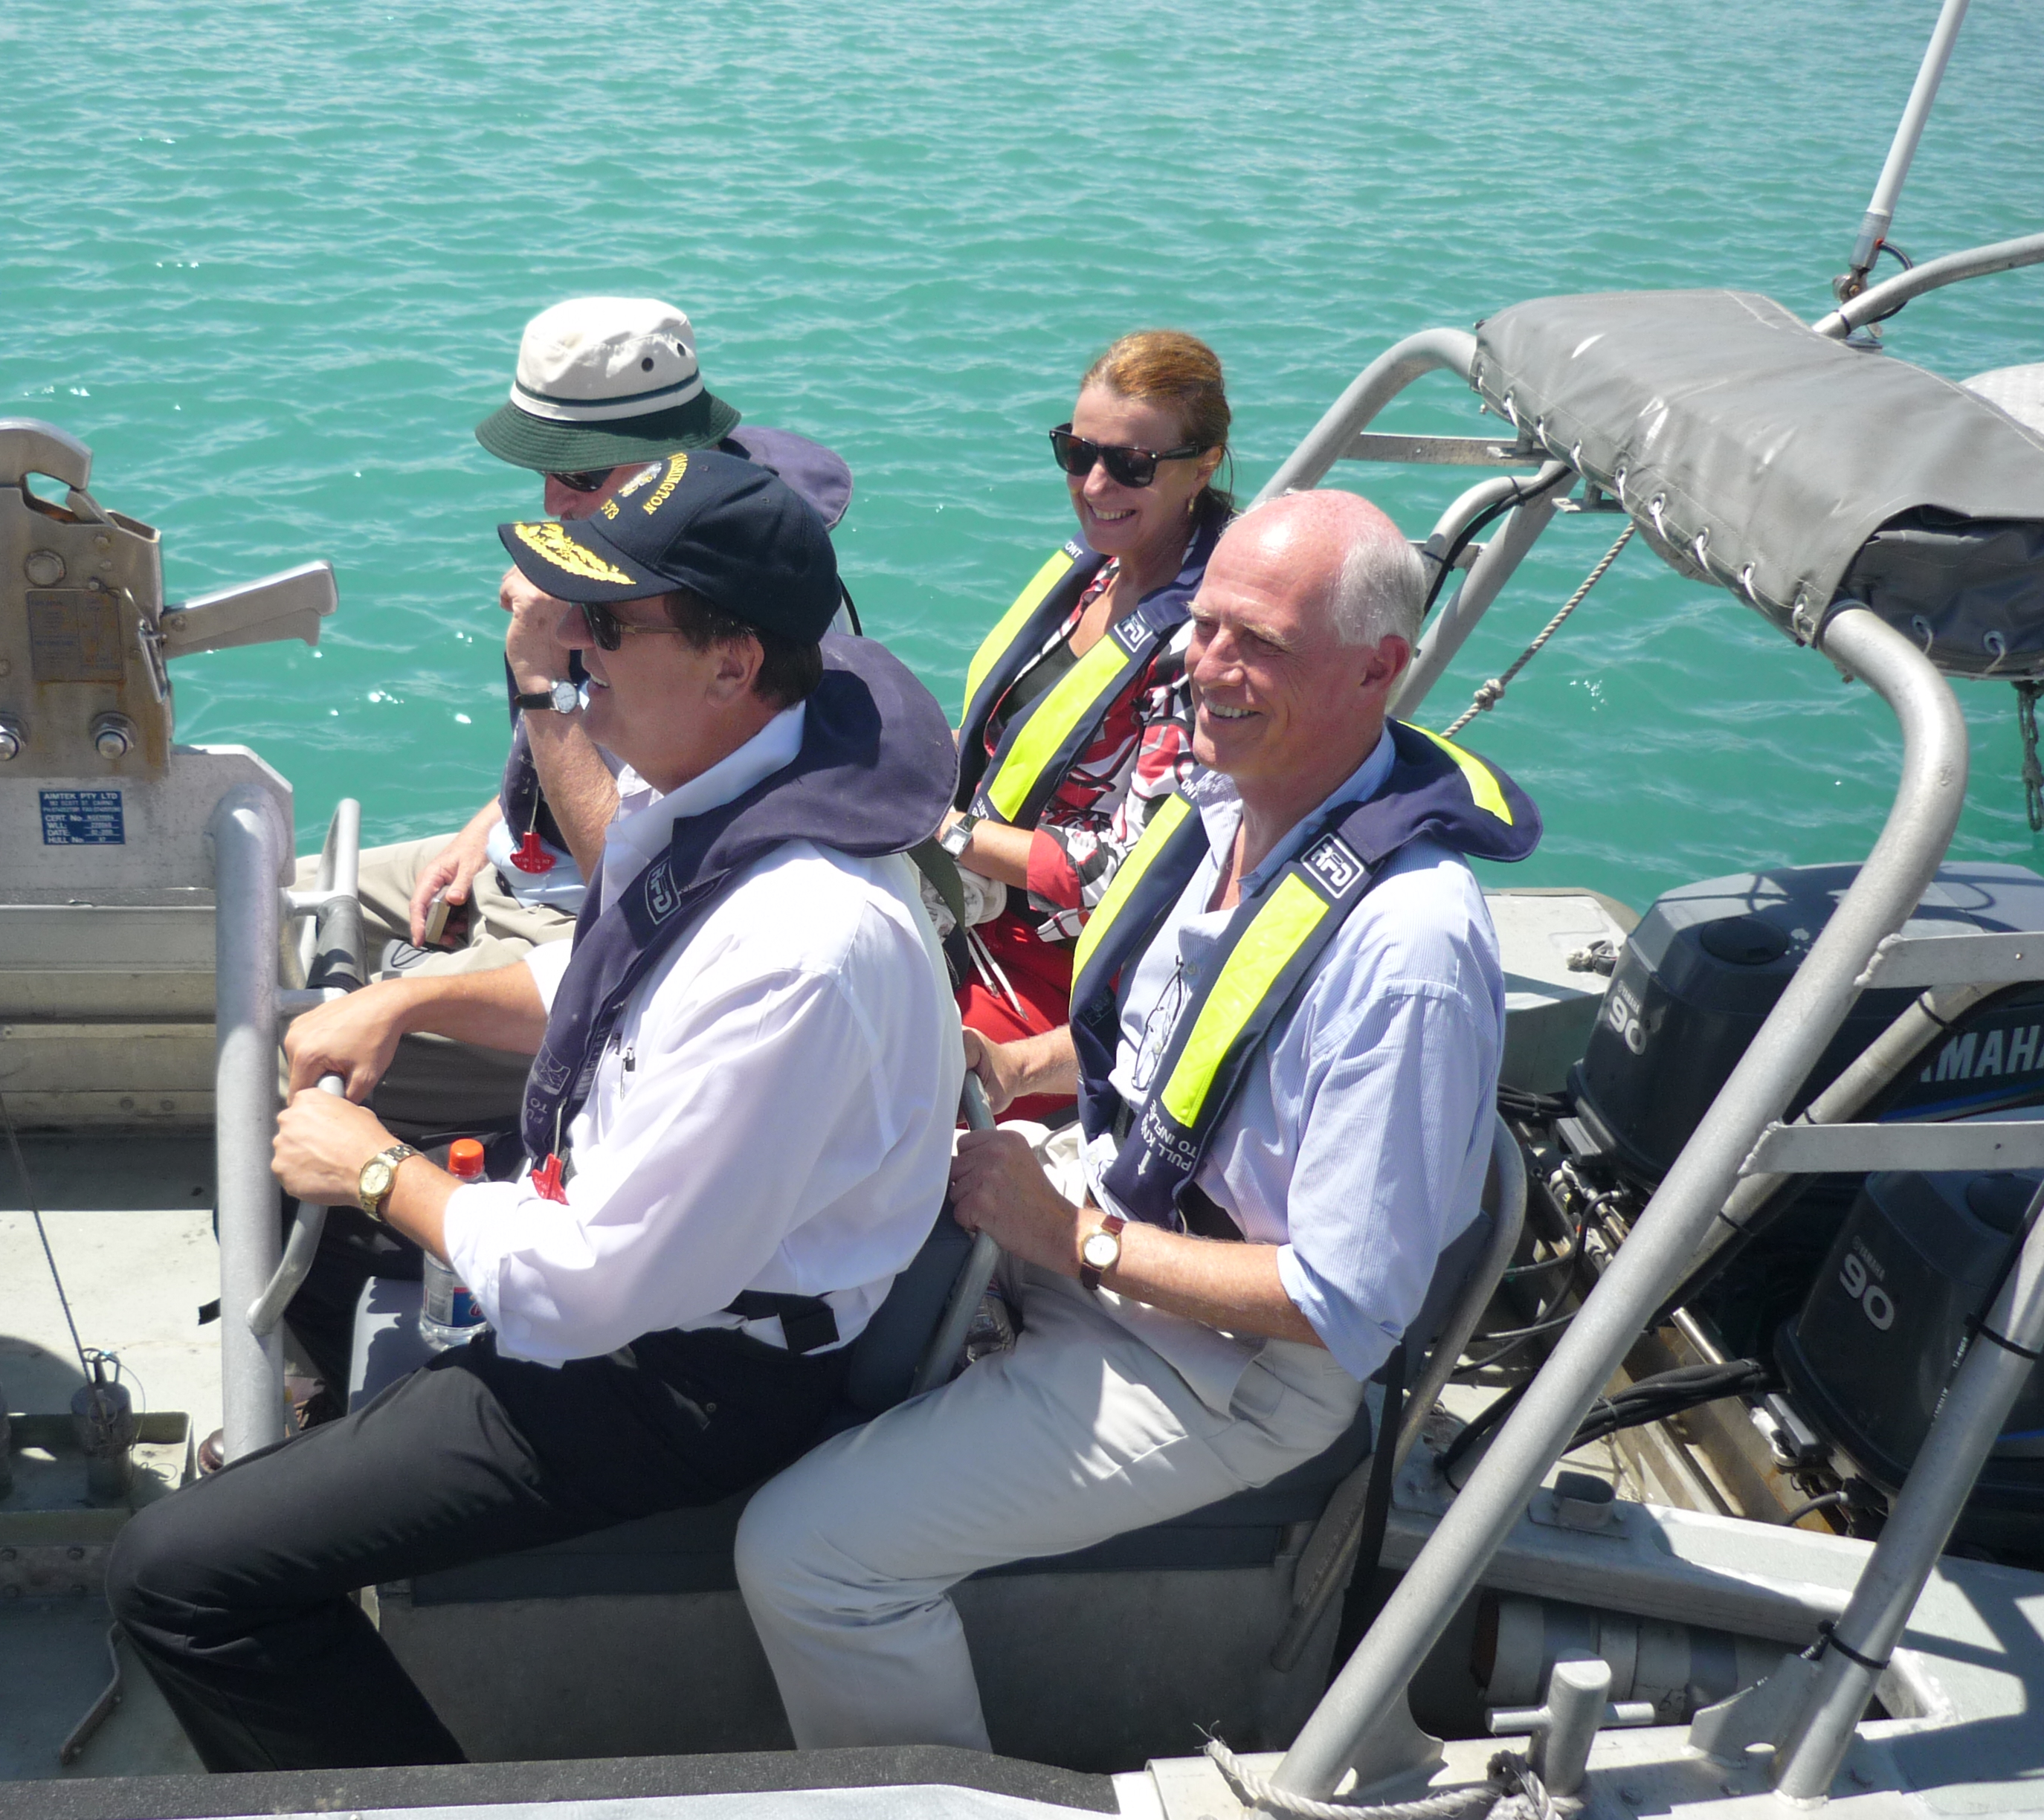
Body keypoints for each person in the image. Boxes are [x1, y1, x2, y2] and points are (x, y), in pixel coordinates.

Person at [108, 451, 964, 1772]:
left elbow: (596, 1285)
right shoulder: (733, 790)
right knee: (310, 1210)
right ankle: (328, 1478)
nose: (571, 651)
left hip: (690, 1370)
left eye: (607, 625)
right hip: (648, 1263)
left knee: (176, 1576)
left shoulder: (802, 940)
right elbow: (621, 969)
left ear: (733, 662)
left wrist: (384, 1171)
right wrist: (419, 1001)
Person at [734, 489, 1541, 1752]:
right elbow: (1168, 1052)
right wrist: (1006, 1070)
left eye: (1256, 643)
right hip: (1097, 1209)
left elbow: (1344, 1297)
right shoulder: (1222, 803)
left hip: (1225, 1368)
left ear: (1379, 667)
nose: (1203, 664)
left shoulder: (1409, 949)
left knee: (806, 1558)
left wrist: (1072, 1243)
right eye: (1203, 623)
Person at [275, 299, 851, 1410]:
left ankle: (330, 1371)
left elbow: (646, 882)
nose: (554, 499)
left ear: (677, 457)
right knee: (273, 908)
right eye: (543, 468)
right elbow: (599, 747)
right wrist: (490, 823)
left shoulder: (733, 608)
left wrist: (541, 670)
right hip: (525, 857)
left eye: (582, 476)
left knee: (292, 1064)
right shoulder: (607, 555)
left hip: (595, 927)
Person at [933, 330, 1234, 1119]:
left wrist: (946, 833)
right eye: (1077, 452)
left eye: (1131, 465)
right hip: (964, 915)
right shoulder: (1099, 569)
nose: (1095, 483)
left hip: (1061, 982)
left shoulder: (1204, 648)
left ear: (1203, 466)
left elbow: (1130, 874)